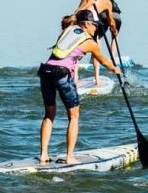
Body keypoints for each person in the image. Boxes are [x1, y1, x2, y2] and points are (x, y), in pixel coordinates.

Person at [38, 10, 122, 164]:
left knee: (49, 114)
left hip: (45, 71)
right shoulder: (90, 42)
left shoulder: (67, 31)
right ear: (88, 24)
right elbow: (103, 61)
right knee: (74, 116)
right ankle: (70, 157)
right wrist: (115, 69)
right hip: (61, 74)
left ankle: (43, 154)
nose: (96, 29)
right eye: (95, 26)